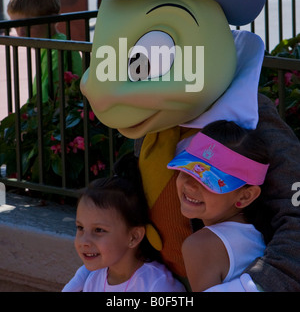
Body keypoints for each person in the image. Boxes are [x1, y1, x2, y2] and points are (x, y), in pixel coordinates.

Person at [168, 120, 270, 292]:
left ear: (245, 196)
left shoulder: (200, 246)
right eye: (187, 170)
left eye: (209, 181)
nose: (191, 185)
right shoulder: (256, 232)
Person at [62, 154, 186, 292]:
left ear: (134, 237)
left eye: (99, 230)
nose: (84, 241)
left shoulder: (157, 285)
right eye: (80, 228)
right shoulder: (92, 278)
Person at [7, 0, 82, 102]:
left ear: (52, 21)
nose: (21, 32)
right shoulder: (51, 45)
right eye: (16, 26)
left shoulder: (55, 50)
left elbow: (45, 98)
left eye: (29, 25)